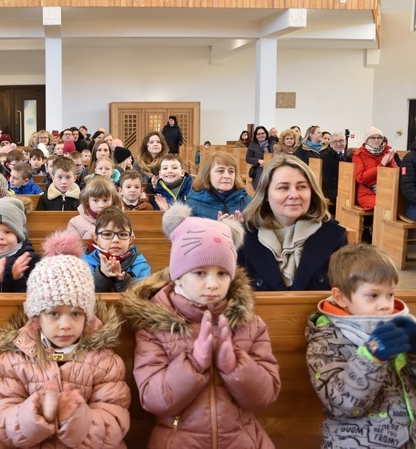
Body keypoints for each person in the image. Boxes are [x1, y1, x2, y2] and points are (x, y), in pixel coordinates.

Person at [121, 204, 281, 447]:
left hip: (242, 440)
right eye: (199, 273)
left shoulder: (250, 324)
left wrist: (236, 366)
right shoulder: (155, 326)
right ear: (178, 275)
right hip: (179, 440)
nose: (212, 284)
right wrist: (193, 364)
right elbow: (153, 399)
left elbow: (265, 396)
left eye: (221, 274)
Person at [0, 230, 130, 447]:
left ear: (87, 316)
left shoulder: (104, 361)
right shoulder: (16, 360)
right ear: (36, 317)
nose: (65, 325)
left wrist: (79, 420)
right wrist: (37, 414)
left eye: (75, 313)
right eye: (54, 313)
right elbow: (1, 421)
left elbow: (114, 419)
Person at [306, 243, 416, 448]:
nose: (385, 304)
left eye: (390, 294)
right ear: (341, 297)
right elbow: (343, 405)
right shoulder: (327, 338)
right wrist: (371, 357)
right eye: (373, 295)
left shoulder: (400, 323)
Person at [238, 155, 347, 291]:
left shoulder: (333, 236)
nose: (294, 195)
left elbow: (346, 295)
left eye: (301, 187)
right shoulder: (243, 237)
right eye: (283, 188)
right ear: (266, 194)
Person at [84, 207, 151, 292]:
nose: (115, 240)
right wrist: (102, 275)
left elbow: (143, 297)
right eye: (107, 234)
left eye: (122, 235)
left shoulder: (141, 265)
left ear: (131, 239)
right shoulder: (84, 263)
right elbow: (84, 295)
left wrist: (123, 280)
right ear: (96, 238)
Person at [186, 151, 251, 220]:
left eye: (231, 171)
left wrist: (242, 227)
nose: (227, 176)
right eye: (220, 171)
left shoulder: (248, 201)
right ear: (207, 175)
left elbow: (259, 229)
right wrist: (217, 228)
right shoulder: (192, 205)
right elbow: (188, 230)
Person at [352, 126, 398, 211]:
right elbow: (361, 178)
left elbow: (394, 175)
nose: (376, 140)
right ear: (367, 140)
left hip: (385, 191)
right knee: (384, 205)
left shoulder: (387, 152)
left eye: (379, 138)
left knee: (397, 204)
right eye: (373, 137)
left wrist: (390, 162)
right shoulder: (359, 155)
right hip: (367, 193)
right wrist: (381, 165)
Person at [321, 131, 348, 206]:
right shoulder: (326, 157)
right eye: (335, 141)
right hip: (334, 190)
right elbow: (328, 179)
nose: (339, 144)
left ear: (345, 142)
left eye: (341, 141)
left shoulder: (349, 156)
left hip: (347, 188)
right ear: (331, 144)